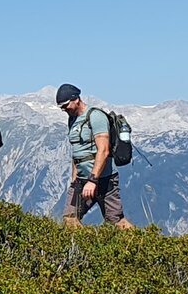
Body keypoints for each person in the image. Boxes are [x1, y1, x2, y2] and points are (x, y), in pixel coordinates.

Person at [56, 83, 134, 229]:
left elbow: (103, 150)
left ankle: (141, 244)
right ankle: (82, 249)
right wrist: (74, 180)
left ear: (76, 99)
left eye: (66, 105)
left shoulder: (96, 117)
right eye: (61, 107)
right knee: (70, 219)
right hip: (81, 179)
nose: (64, 109)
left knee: (116, 222)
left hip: (104, 179)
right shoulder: (72, 120)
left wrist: (93, 180)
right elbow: (77, 151)